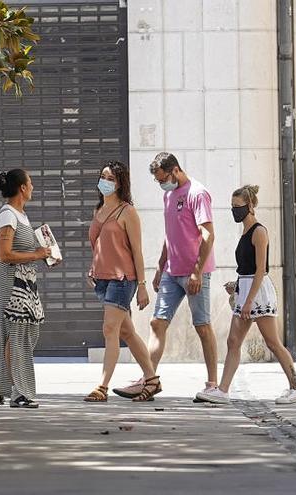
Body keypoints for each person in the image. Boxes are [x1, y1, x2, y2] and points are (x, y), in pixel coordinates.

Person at [113, 152, 218, 401]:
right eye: (158, 181)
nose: (161, 184)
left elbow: (208, 235)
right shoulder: (168, 195)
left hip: (195, 273)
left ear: (175, 170)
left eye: (163, 179)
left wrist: (196, 271)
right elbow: (170, 233)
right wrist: (161, 266)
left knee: (202, 326)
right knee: (157, 323)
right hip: (172, 271)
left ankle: (213, 385)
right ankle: (148, 380)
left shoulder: (197, 193)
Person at [196, 185, 296, 404]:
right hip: (245, 289)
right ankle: (223, 390)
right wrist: (236, 286)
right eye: (232, 207)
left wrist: (248, 301)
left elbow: (260, 269)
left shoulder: (259, 231)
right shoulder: (245, 232)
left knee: (273, 342)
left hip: (258, 293)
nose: (235, 211)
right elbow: (246, 268)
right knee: (233, 341)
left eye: (239, 207)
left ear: (251, 206)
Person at [83, 161, 161, 402]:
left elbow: (137, 251)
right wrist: (93, 268)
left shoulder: (127, 212)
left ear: (120, 183)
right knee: (127, 331)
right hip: (102, 280)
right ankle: (152, 380)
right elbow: (99, 245)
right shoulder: (98, 210)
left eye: (111, 178)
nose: (105, 181)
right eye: (103, 176)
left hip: (122, 279)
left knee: (110, 329)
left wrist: (142, 286)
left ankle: (102, 387)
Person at [0, 169, 51, 409]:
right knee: (16, 336)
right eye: (30, 183)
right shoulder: (7, 215)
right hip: (10, 282)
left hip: (26, 282)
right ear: (22, 187)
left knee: (27, 334)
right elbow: (4, 254)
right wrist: (37, 254)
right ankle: (19, 392)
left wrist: (45, 255)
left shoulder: (21, 215)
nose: (32, 187)